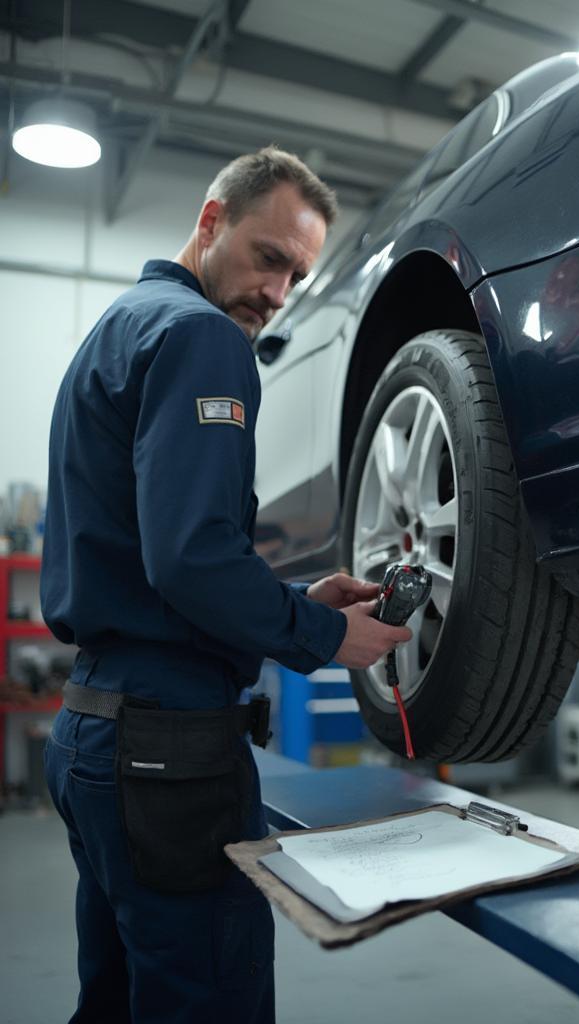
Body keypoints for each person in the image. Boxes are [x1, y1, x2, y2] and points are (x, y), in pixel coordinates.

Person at [40, 146, 412, 1024]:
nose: (278, 293)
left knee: (121, 1000)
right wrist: (323, 639)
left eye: (297, 274)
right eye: (269, 258)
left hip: (96, 731)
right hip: (165, 756)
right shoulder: (201, 335)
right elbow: (193, 558)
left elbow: (157, 556)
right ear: (211, 222)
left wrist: (294, 605)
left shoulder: (121, 327)